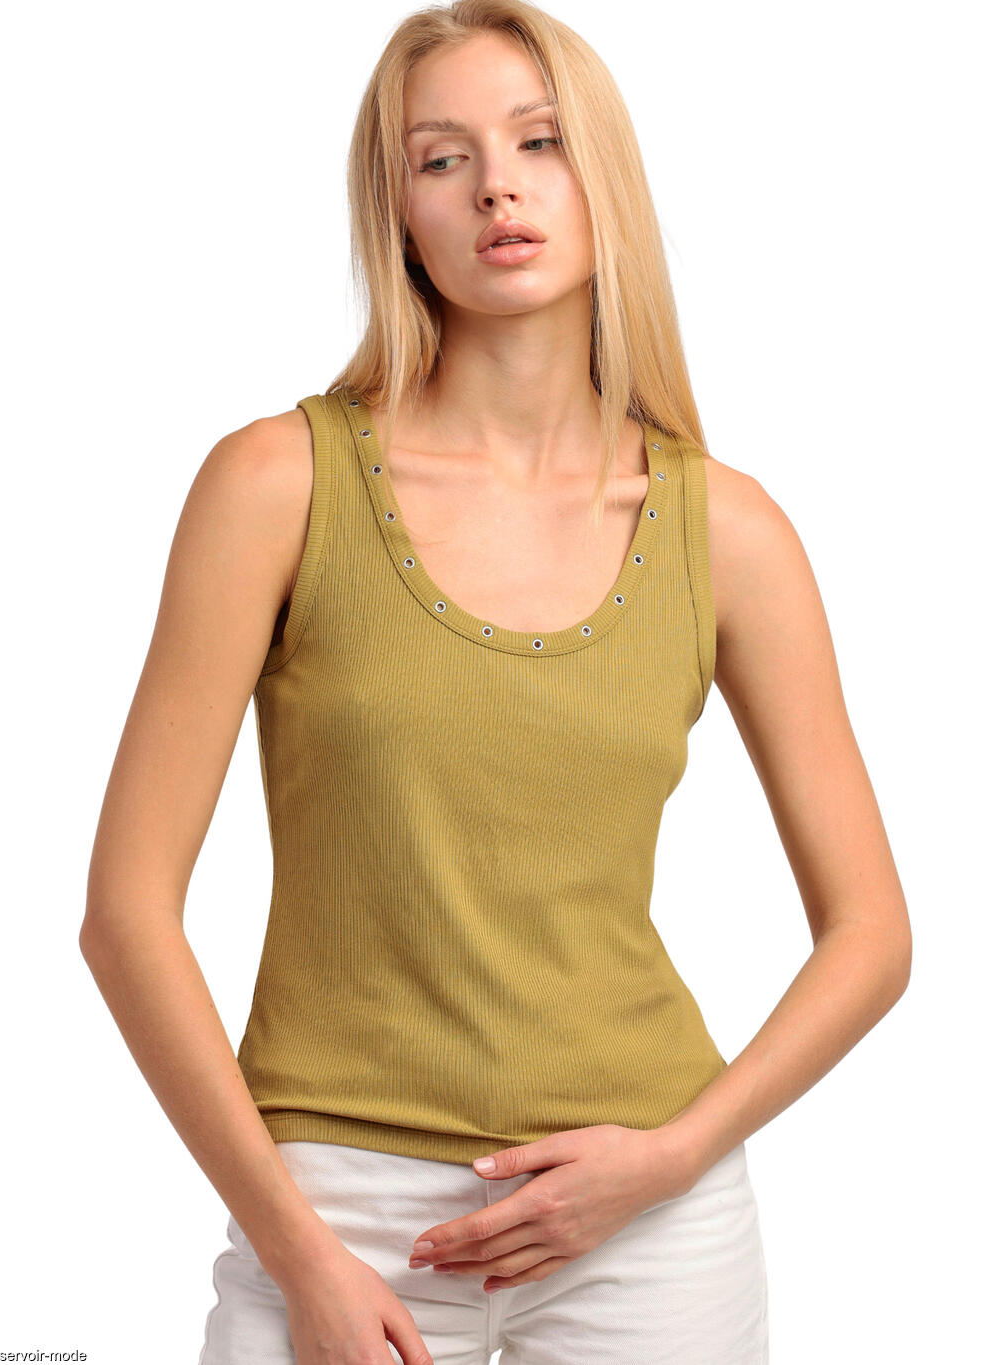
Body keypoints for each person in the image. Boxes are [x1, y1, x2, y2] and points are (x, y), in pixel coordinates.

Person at [79, 2, 912, 1362]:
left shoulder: (730, 531)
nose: (497, 188)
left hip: (649, 1221)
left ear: (605, 175)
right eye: (442, 157)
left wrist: (672, 1156)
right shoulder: (276, 486)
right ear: (398, 212)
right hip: (338, 1214)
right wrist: (297, 1253)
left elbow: (871, 932)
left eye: (541, 140)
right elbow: (126, 915)